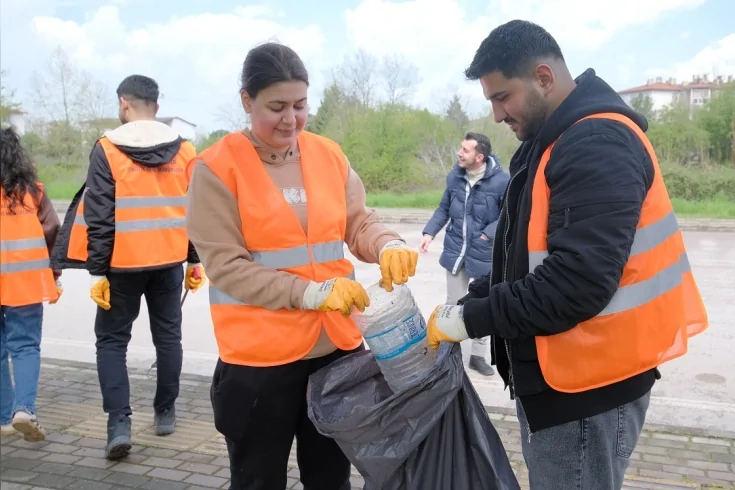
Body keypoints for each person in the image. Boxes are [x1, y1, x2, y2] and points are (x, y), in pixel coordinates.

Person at [425, 20, 708, 489]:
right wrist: (477, 296)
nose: (496, 115)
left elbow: (576, 281)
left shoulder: (596, 142)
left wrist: (471, 321)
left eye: (502, 97)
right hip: (566, 380)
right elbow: (531, 253)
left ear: (543, 77)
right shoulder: (551, 140)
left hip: (589, 389)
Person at [185, 41, 418, 490]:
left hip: (335, 353)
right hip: (260, 360)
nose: (290, 119)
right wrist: (311, 293)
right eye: (276, 107)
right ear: (246, 101)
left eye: (300, 105)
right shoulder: (215, 169)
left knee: (332, 478)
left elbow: (357, 220)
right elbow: (227, 266)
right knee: (257, 479)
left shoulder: (328, 154)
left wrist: (387, 244)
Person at [52, 75, 204, 460]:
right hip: (168, 263)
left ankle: (119, 424)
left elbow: (100, 217)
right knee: (168, 338)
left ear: (124, 103)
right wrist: (194, 260)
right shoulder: (185, 150)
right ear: (156, 103)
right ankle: (165, 413)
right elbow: (197, 211)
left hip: (120, 268)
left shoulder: (107, 149)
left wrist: (97, 272)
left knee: (111, 342)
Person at [419, 132, 507, 376]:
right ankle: (448, 355)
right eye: (461, 148)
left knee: (483, 304)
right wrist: (429, 233)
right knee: (453, 304)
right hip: (456, 252)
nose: (460, 153)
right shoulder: (454, 178)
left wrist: (487, 234)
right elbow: (444, 208)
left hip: (483, 254)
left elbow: (508, 215)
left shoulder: (502, 181)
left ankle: (478, 356)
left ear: (479, 157)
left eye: (465, 150)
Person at [0, 127, 62, 443]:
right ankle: (24, 409)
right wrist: (54, 271)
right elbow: (52, 228)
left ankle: (2, 416)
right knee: (24, 346)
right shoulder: (33, 192)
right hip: (23, 284)